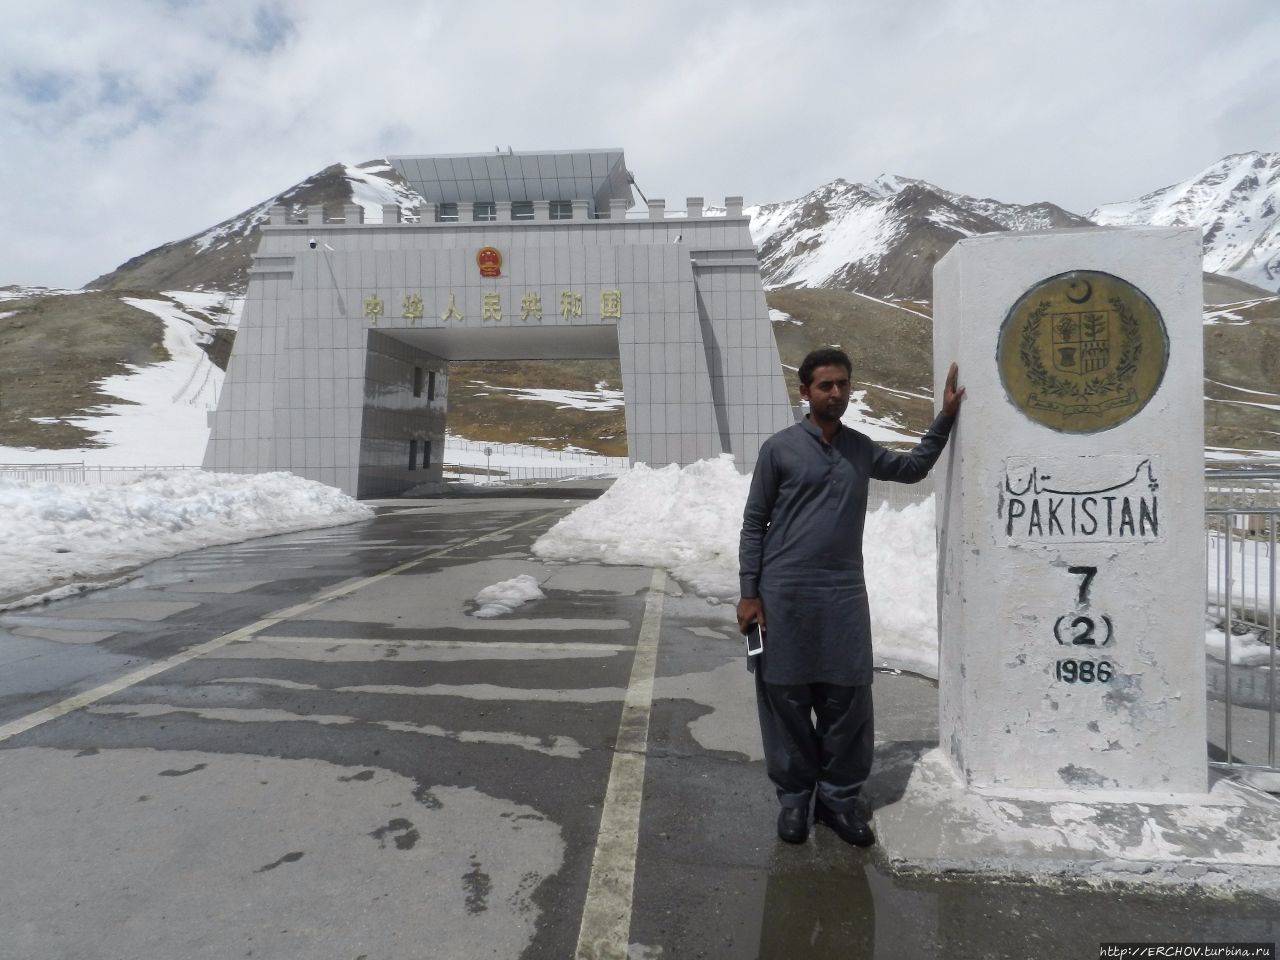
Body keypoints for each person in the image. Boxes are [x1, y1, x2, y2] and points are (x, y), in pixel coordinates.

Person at [737, 347, 964, 846]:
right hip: (784, 594)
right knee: (787, 699)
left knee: (848, 698)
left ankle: (839, 800)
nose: (835, 392)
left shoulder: (860, 448)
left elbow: (912, 469)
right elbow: (755, 522)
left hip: (841, 595)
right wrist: (749, 593)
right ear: (805, 391)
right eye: (825, 385)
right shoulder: (778, 450)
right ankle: (795, 802)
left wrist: (944, 419)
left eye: (842, 384)